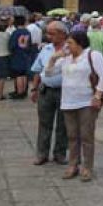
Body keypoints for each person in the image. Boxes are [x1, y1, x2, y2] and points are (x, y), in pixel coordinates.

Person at [45, 32, 103, 181]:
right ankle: (73, 164)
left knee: (86, 135)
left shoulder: (93, 55)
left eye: (70, 43)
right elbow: (49, 74)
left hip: (87, 102)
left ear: (80, 43)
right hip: (68, 101)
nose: (67, 46)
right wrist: (54, 58)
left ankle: (87, 166)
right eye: (67, 43)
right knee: (72, 135)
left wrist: (98, 96)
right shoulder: (66, 58)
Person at [30, 21, 69, 166]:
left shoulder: (70, 49)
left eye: (52, 34)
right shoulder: (46, 49)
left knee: (63, 124)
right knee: (44, 123)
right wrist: (34, 89)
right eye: (48, 33)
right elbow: (37, 70)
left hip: (65, 91)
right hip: (46, 90)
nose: (49, 36)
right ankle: (42, 154)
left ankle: (60, 153)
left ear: (62, 34)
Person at [8, 15, 35, 99]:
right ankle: (23, 91)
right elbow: (30, 44)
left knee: (18, 75)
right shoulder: (27, 32)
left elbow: (11, 45)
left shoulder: (16, 32)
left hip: (17, 55)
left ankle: (19, 92)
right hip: (25, 54)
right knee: (24, 74)